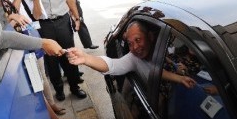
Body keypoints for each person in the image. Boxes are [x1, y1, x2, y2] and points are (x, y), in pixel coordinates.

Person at [0, 0, 80, 119]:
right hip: (18, 39)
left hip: (32, 33)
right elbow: (10, 17)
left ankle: (51, 107)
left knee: (40, 75)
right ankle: (53, 118)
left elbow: (37, 15)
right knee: (35, 78)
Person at [66, 21, 197, 89]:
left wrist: (175, 66)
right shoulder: (133, 59)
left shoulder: (163, 47)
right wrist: (87, 59)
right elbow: (112, 65)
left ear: (150, 37)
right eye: (130, 43)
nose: (135, 47)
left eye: (138, 40)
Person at [34, 0, 86, 101]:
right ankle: (58, 90)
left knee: (69, 55)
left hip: (63, 21)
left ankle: (75, 86)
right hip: (44, 24)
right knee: (51, 59)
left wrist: (76, 17)